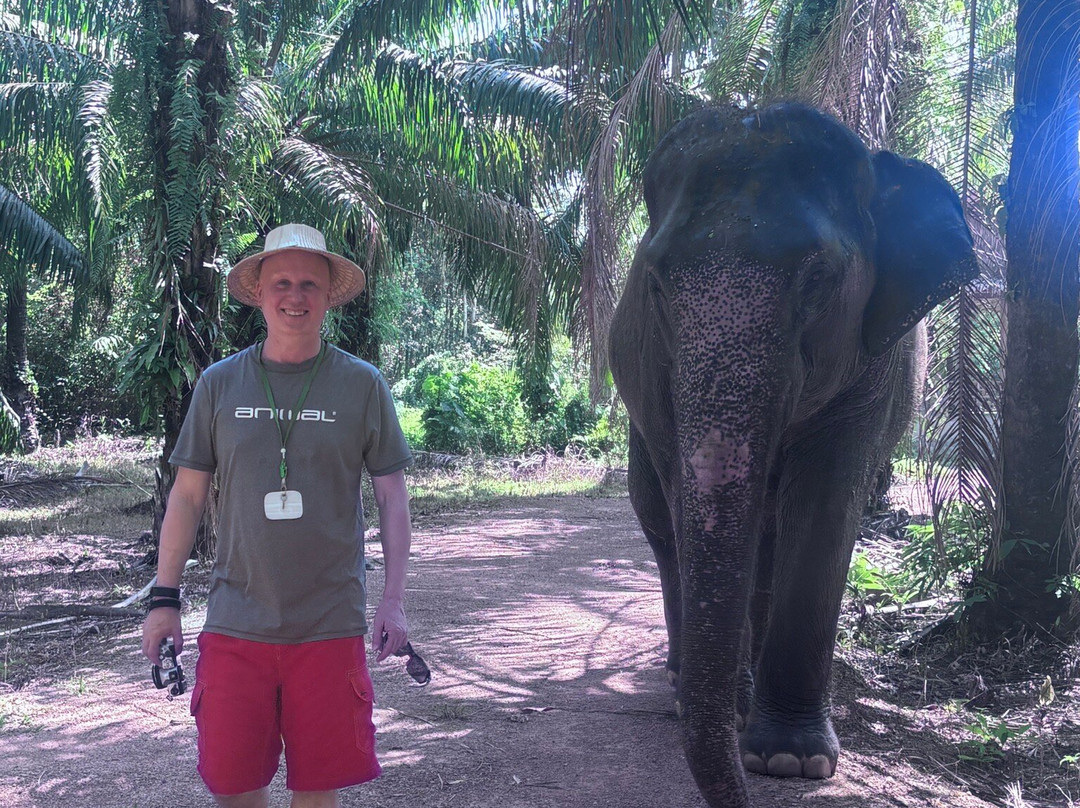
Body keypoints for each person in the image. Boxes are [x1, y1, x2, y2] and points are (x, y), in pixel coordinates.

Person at [141, 223, 414, 808]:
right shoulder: (218, 385)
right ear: (260, 293)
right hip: (236, 623)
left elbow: (392, 496)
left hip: (330, 624)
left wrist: (392, 599)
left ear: (329, 296)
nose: (296, 295)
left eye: (310, 284)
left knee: (317, 790)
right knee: (235, 786)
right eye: (282, 282)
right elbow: (187, 497)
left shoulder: (363, 386)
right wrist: (164, 598)